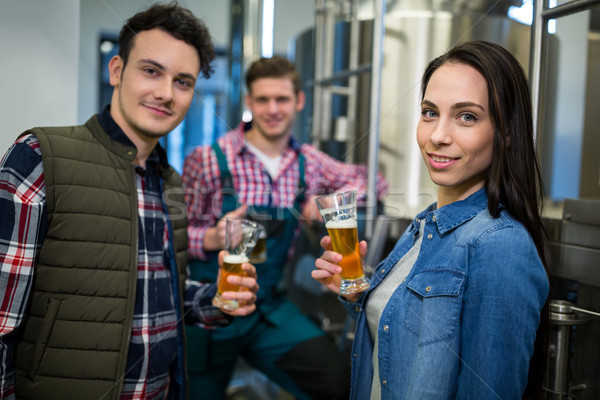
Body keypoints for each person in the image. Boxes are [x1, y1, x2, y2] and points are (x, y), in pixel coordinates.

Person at [0, 3, 259, 400]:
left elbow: (158, 290)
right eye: (151, 70)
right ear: (117, 70)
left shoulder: (170, 181)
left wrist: (219, 298)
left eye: (183, 81)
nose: (165, 93)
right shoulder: (40, 156)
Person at [312, 40, 550, 399]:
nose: (437, 136)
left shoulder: (501, 244)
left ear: (506, 132)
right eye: (430, 112)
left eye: (466, 116)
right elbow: (409, 339)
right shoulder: (425, 226)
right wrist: (359, 292)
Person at [182, 55, 388, 399]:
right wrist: (214, 237)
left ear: (299, 101)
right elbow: (172, 239)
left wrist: (328, 202)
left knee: (337, 382)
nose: (272, 109)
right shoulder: (207, 160)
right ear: (249, 102)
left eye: (282, 99)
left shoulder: (310, 162)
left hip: (268, 309)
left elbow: (375, 182)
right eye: (262, 99)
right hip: (213, 307)